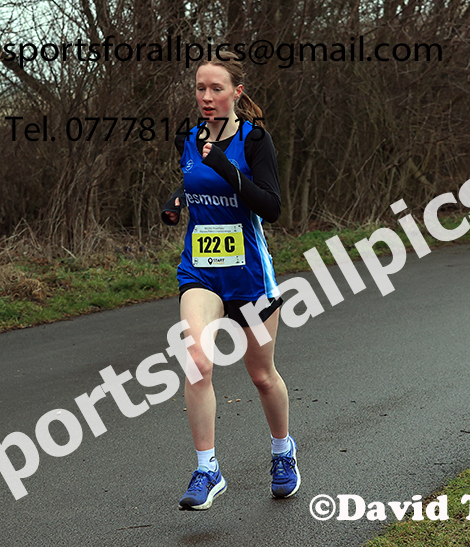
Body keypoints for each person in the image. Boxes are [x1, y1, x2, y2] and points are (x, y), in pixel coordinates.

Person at [161, 53, 299, 510]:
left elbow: (271, 207)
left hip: (249, 276)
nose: (206, 97)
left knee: (261, 374)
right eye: (200, 88)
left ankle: (282, 452)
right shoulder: (189, 138)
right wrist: (177, 201)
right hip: (200, 271)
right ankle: (207, 469)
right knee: (197, 362)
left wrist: (225, 167)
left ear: (236, 92)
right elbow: (192, 180)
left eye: (215, 88)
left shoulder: (255, 140)